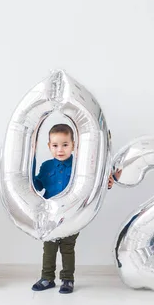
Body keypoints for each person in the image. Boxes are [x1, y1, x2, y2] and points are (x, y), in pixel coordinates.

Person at [31, 123, 114, 294]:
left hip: (72, 215)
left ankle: (67, 280)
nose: (60, 150)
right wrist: (28, 169)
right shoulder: (46, 166)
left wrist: (107, 182)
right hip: (51, 217)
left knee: (67, 248)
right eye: (55, 145)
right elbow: (38, 185)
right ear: (49, 146)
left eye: (65, 145)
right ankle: (47, 278)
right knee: (49, 248)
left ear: (73, 146)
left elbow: (92, 183)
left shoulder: (80, 165)